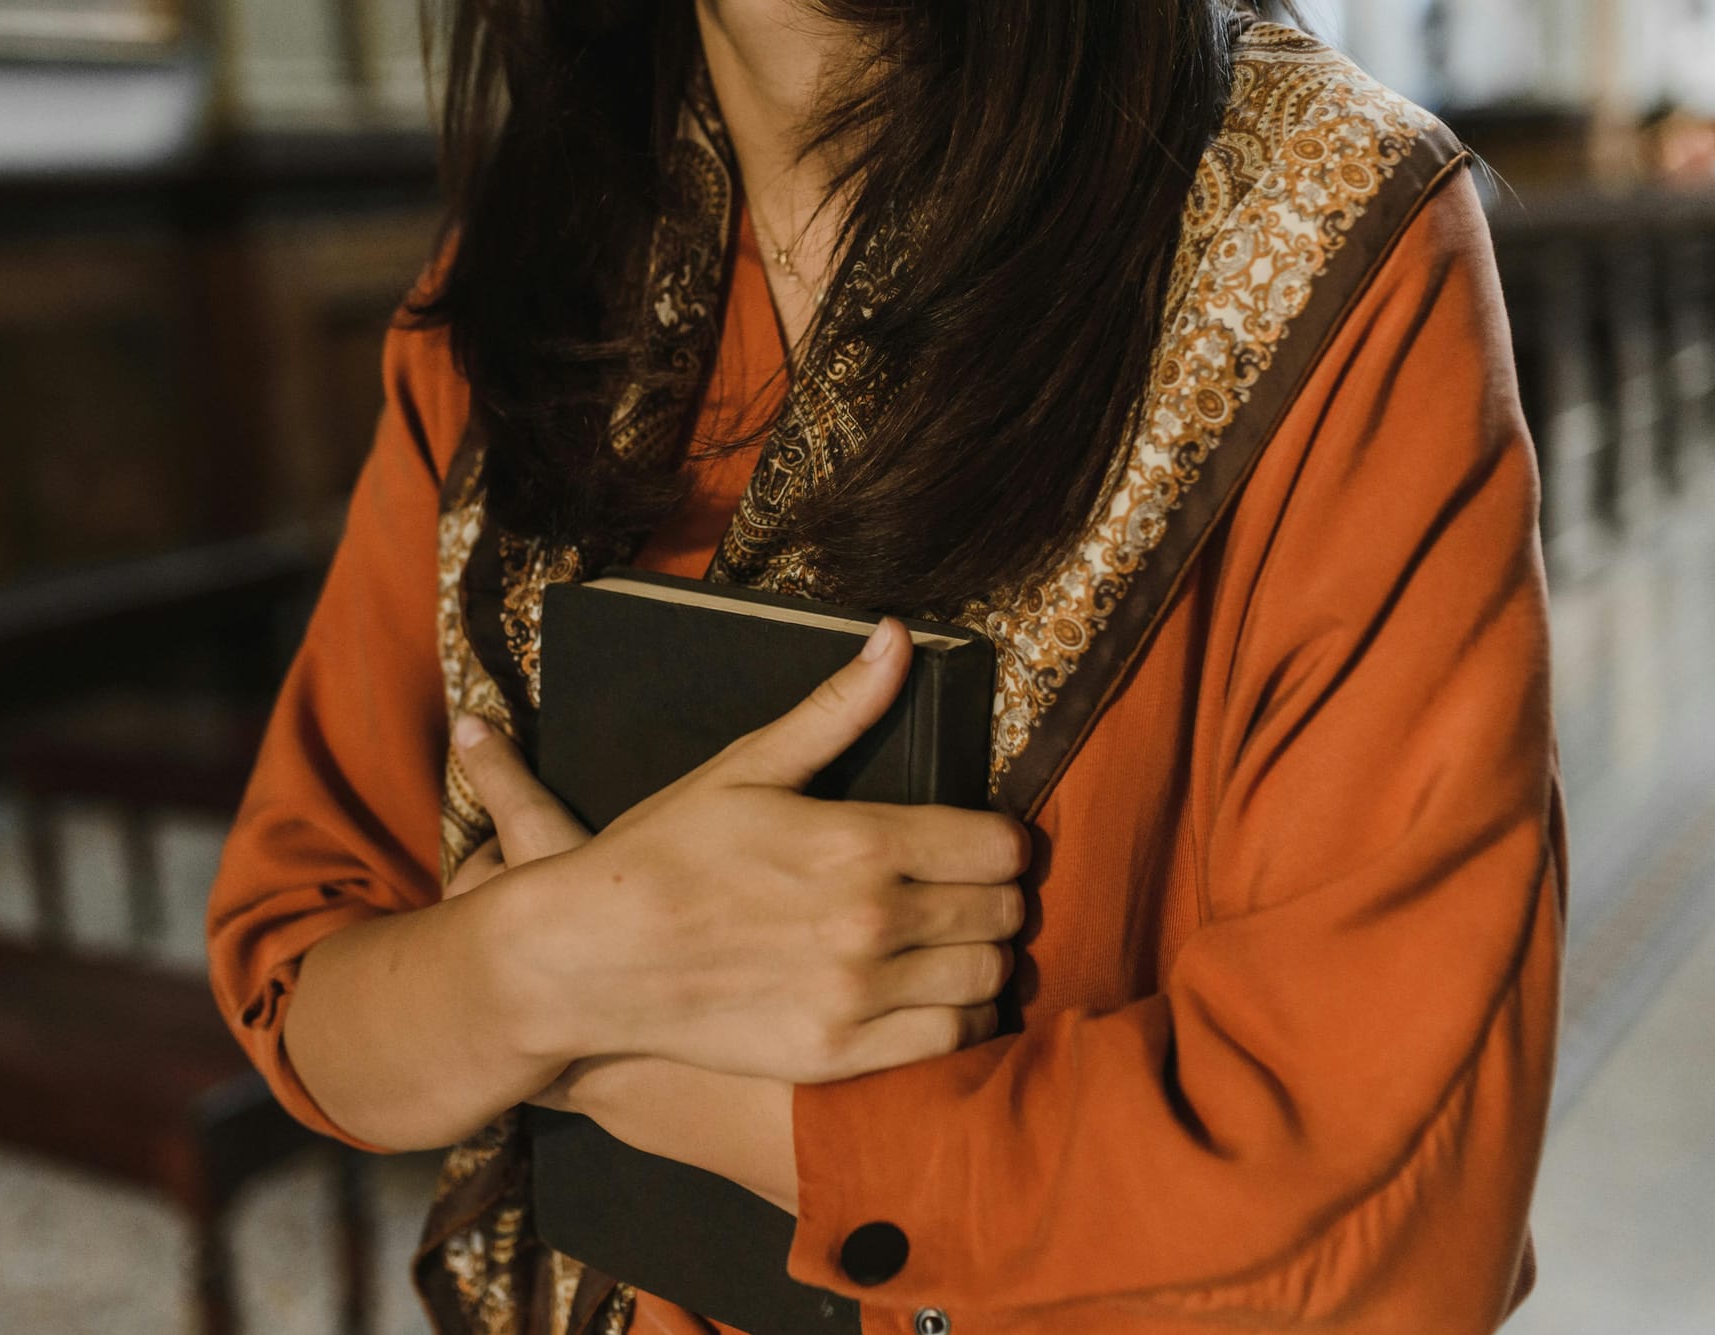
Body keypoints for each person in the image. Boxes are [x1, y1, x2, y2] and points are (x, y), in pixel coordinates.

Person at [206, 3, 1567, 1333]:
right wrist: (548, 966)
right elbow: (302, 973)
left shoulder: (1321, 231)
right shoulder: (531, 271)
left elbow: (1398, 1234)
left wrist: (659, 1084)